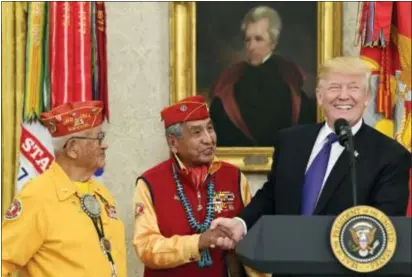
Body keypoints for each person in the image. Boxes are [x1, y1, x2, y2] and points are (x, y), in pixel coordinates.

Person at [210, 56, 411, 249]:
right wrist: (240, 223)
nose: (343, 95)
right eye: (334, 87)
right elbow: (272, 195)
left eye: (353, 88)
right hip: (288, 265)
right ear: (320, 96)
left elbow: (385, 225)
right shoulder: (290, 141)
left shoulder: (390, 155)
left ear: (367, 97)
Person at [133, 95, 269, 277]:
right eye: (197, 133)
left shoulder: (233, 177)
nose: (209, 139)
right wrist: (198, 243)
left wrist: (238, 241)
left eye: (210, 129)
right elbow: (146, 247)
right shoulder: (150, 183)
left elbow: (254, 236)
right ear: (173, 143)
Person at [2, 101, 127, 277]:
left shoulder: (102, 194)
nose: (104, 145)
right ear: (72, 149)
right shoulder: (37, 196)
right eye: (98, 138)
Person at [209, 6, 316, 147]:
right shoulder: (232, 78)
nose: (251, 46)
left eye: (258, 39)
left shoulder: (289, 79)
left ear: (273, 43)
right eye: (248, 40)